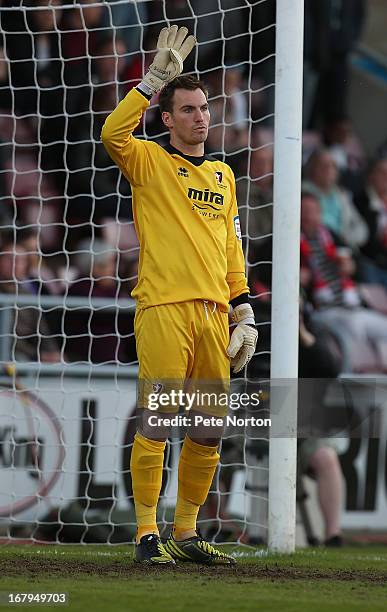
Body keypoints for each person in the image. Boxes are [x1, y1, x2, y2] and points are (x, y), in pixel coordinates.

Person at [101, 26, 258, 565]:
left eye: (204, 108)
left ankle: (187, 533)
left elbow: (231, 247)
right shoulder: (148, 162)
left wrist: (244, 307)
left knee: (209, 430)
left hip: (216, 313)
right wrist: (149, 84)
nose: (201, 117)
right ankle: (147, 533)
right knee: (161, 421)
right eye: (188, 109)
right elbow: (112, 135)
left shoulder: (223, 175)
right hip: (164, 307)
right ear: (168, 119)